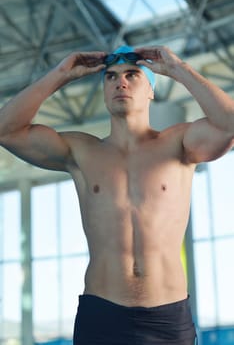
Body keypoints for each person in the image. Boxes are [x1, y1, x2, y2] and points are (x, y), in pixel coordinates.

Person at [0, 44, 234, 345]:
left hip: (167, 319)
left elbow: (229, 124)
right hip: (102, 316)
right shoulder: (81, 151)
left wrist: (178, 69)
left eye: (132, 75)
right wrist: (60, 74)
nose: (119, 82)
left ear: (151, 90)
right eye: (110, 77)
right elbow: (6, 130)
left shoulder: (180, 145)